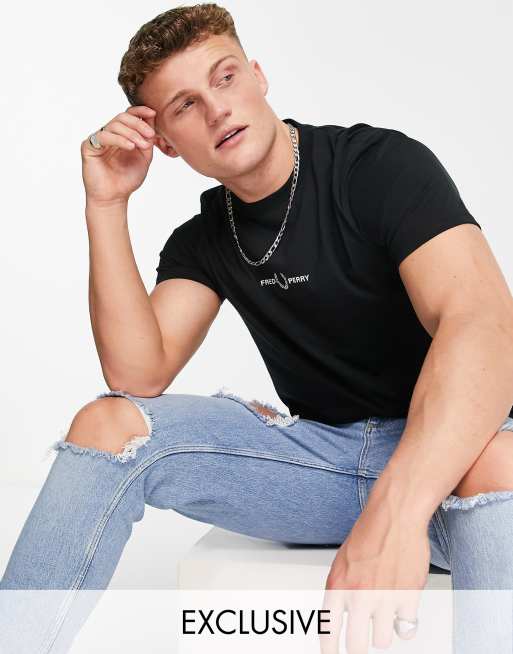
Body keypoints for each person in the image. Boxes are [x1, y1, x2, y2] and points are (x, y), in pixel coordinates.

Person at [2, 3, 513, 653]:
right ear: (164, 141)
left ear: (257, 75)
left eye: (224, 77)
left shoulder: (375, 166)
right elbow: (136, 374)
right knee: (107, 425)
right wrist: (106, 203)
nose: (217, 109)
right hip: (321, 465)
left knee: (499, 459)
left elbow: (483, 324)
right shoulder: (204, 238)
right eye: (185, 105)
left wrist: (398, 510)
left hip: (455, 463)